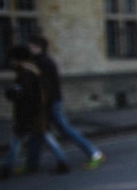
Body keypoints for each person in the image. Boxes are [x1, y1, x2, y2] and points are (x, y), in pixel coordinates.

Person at [26, 35, 104, 170]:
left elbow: (46, 86)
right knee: (37, 132)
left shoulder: (44, 62)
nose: (29, 49)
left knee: (63, 130)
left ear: (39, 47)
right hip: (48, 102)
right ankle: (31, 164)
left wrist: (44, 103)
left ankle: (94, 153)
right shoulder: (40, 62)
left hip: (49, 102)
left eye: (32, 46)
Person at [2, 45, 70, 177]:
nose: (11, 62)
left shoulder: (25, 73)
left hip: (28, 113)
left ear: (18, 59)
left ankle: (7, 167)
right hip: (37, 112)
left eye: (12, 59)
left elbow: (24, 93)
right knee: (45, 137)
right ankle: (62, 161)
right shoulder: (33, 71)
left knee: (18, 139)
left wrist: (11, 93)